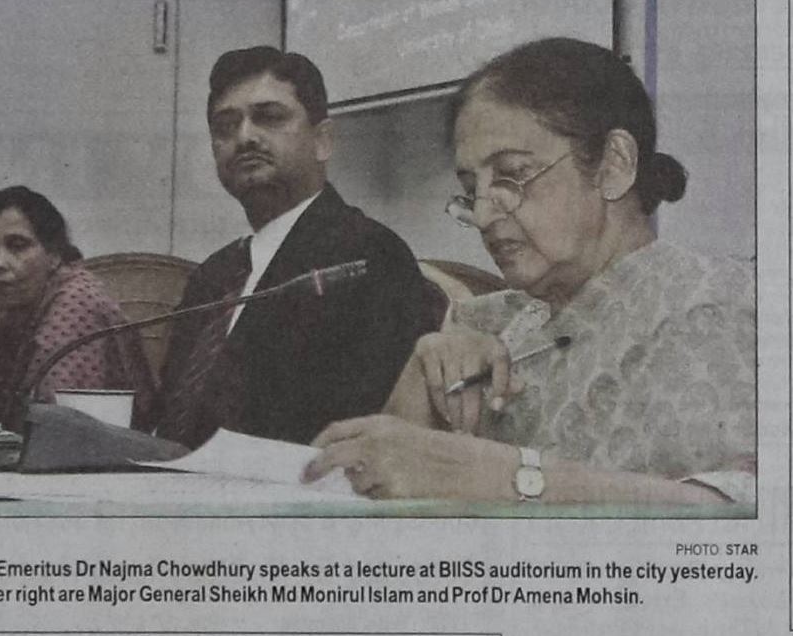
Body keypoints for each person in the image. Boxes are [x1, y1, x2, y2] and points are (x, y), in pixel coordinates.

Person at [304, 37, 755, 507]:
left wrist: (507, 475)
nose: (483, 215)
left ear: (613, 166)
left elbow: (737, 514)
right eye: (470, 190)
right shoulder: (490, 322)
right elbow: (377, 503)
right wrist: (422, 374)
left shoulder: (709, 304)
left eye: (512, 174)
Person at [153, 46, 441, 449]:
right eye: (226, 126)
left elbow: (354, 431)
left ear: (323, 141)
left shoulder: (367, 255)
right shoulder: (213, 275)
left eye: (269, 117)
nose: (245, 137)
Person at [0, 186, 157, 432]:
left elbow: (53, 432)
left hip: (94, 454)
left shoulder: (76, 305)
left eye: (17, 246)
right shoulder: (24, 308)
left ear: (54, 254)